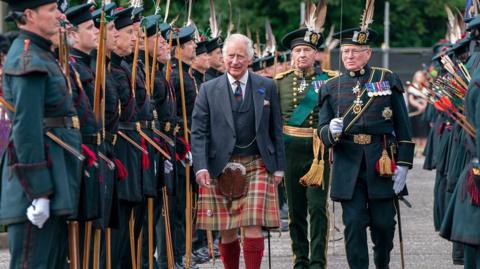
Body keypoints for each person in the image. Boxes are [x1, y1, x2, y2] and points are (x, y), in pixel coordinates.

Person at [316, 3, 414, 268]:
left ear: (368, 53)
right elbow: (322, 129)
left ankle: (382, 264)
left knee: (383, 226)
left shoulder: (387, 79)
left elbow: (404, 126)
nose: (349, 56)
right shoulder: (331, 86)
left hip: (380, 161)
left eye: (355, 52)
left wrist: (404, 164)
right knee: (354, 224)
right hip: (348, 164)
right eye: (346, 51)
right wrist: (330, 132)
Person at [191, 33, 286, 269]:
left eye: (240, 56)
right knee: (227, 230)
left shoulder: (267, 86)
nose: (235, 61)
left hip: (258, 163)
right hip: (220, 166)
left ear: (250, 59)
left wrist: (279, 167)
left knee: (253, 223)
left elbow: (276, 129)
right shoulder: (208, 89)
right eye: (230, 56)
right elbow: (199, 132)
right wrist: (201, 165)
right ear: (223, 58)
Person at [0, 0, 82, 267]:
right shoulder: (28, 58)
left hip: (53, 178)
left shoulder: (42, 53)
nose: (59, 15)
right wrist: (39, 193)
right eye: (51, 10)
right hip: (34, 188)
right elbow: (26, 129)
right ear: (29, 15)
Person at [276, 3, 337, 266]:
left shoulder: (331, 80)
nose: (302, 54)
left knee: (317, 209)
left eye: (307, 50)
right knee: (296, 211)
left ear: (316, 55)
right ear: (291, 55)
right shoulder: (279, 82)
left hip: (317, 152)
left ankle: (317, 262)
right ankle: (300, 260)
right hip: (290, 149)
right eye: (298, 50)